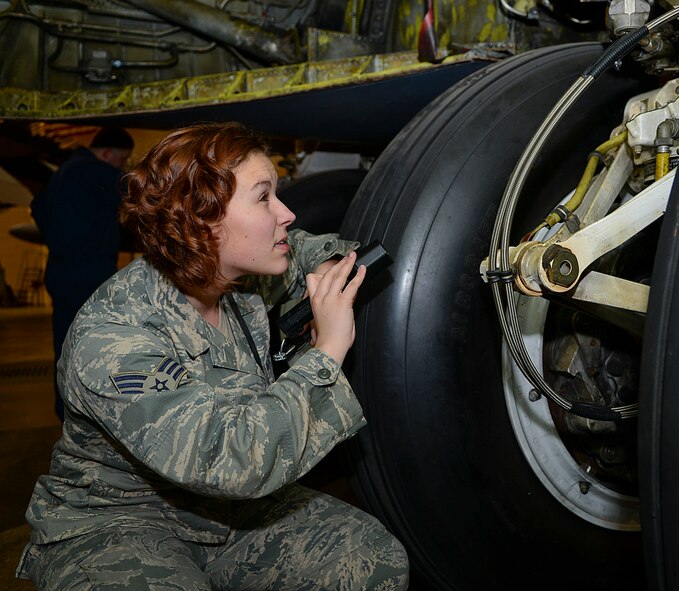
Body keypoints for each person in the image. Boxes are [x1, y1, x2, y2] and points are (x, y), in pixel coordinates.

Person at [16, 122, 409, 590]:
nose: (286, 212)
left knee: (373, 560)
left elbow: (300, 243)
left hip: (228, 517)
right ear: (201, 218)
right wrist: (327, 349)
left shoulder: (238, 284)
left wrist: (325, 262)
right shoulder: (114, 338)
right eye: (264, 198)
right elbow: (232, 460)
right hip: (119, 523)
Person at [31, 126, 134, 421]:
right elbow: (137, 189)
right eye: (121, 160)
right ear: (105, 154)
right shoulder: (93, 170)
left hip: (62, 270)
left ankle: (66, 411)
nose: (121, 167)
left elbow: (36, 206)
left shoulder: (63, 172)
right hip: (89, 273)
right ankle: (88, 415)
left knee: (65, 344)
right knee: (95, 348)